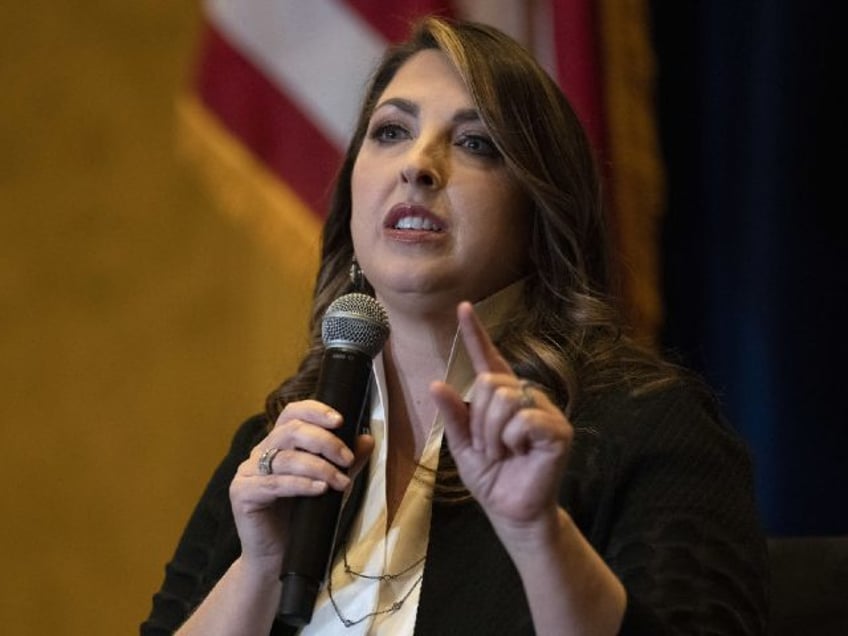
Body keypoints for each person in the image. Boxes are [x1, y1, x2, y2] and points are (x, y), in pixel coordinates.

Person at [142, 16, 769, 636]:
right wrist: (259, 568)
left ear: (539, 213)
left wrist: (539, 537)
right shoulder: (282, 445)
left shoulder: (645, 429)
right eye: (390, 132)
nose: (418, 164)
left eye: (476, 143)